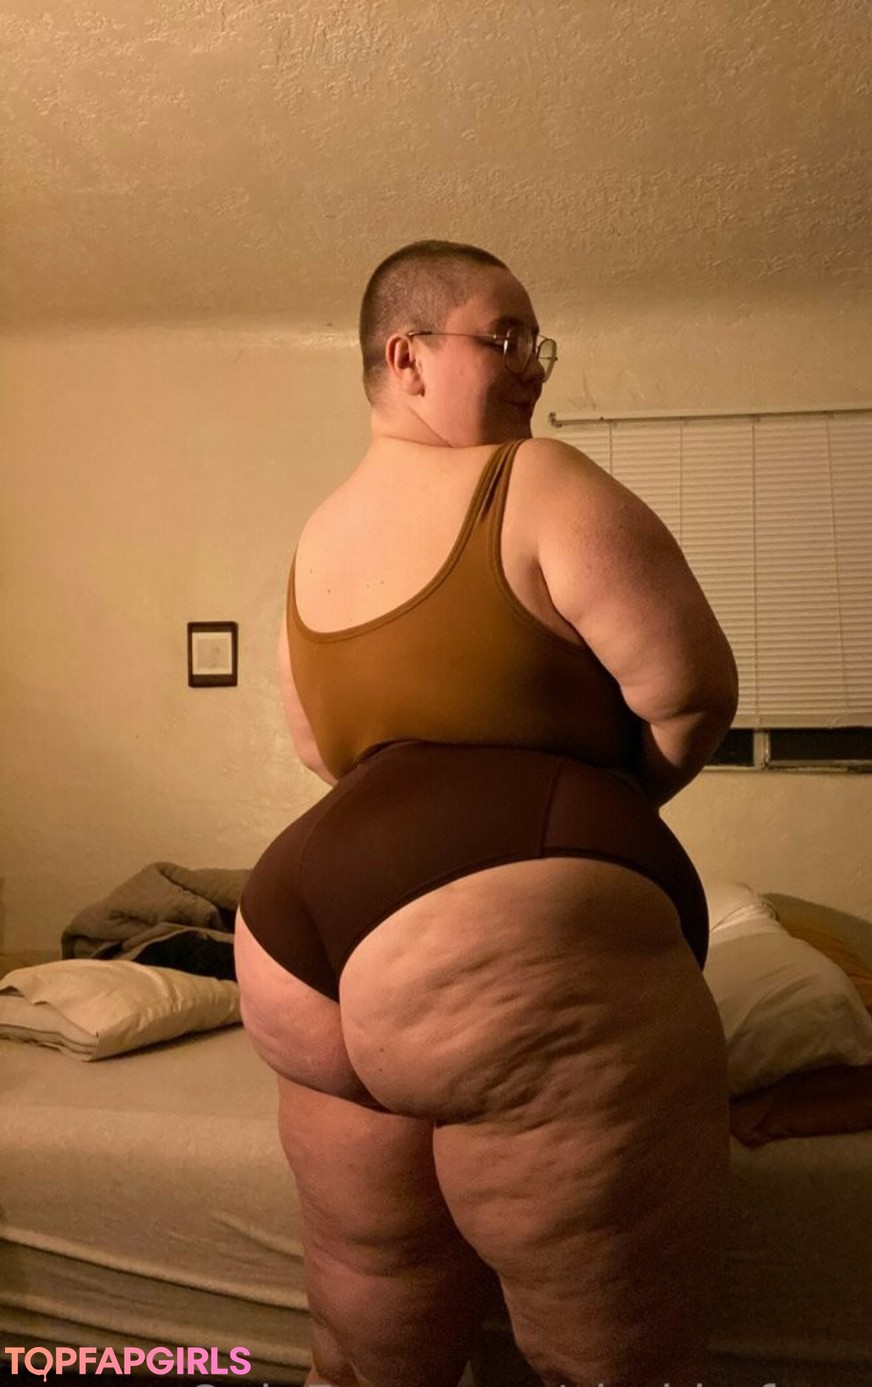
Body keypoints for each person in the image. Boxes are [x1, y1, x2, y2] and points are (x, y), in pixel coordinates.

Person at [235, 241, 738, 1387]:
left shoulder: (316, 541)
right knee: (610, 1365)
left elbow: (322, 752)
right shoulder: (534, 479)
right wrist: (589, 811)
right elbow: (691, 690)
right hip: (500, 922)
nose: (534, 366)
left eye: (536, 342)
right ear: (406, 357)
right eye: (505, 337)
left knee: (367, 1352)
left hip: (295, 934)